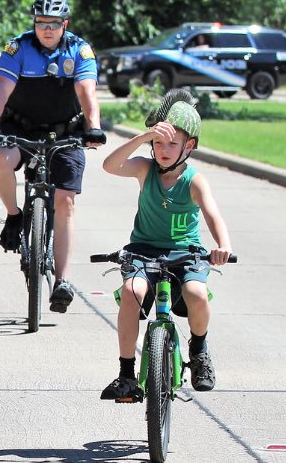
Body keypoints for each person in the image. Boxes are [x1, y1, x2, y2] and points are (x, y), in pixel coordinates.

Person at [98, 90, 231, 400]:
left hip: (187, 253)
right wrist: (144, 135)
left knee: (197, 293)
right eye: (158, 143)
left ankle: (199, 353)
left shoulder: (194, 181)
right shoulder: (145, 169)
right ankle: (126, 373)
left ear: (190, 146)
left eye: (173, 143)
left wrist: (223, 245)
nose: (164, 149)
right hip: (144, 250)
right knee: (132, 292)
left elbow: (213, 215)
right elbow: (109, 165)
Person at [0, 0, 106, 314]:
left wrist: (93, 127)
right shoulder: (17, 48)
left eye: (53, 24)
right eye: (40, 23)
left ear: (65, 24)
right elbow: (1, 90)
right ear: (34, 23)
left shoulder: (79, 49)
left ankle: (62, 280)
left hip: (67, 130)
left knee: (65, 201)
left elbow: (87, 91)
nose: (46, 29)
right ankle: (13, 215)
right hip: (21, 127)